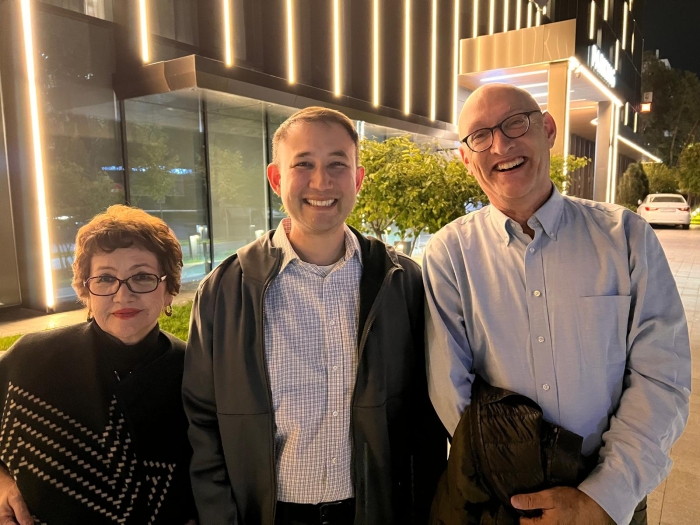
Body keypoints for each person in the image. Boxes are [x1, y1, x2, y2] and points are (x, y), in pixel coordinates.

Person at [423, 84, 691, 525]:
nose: (502, 145)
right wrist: (512, 486)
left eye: (515, 124)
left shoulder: (626, 238)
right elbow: (450, 391)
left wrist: (603, 496)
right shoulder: (450, 255)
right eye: (480, 136)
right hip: (503, 501)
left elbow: (662, 375)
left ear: (546, 129)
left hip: (612, 497)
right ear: (466, 159)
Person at [183, 106, 445, 525]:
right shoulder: (226, 290)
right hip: (268, 514)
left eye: (337, 165)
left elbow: (424, 417)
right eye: (303, 164)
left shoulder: (401, 282)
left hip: (372, 510)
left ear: (357, 179)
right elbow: (202, 419)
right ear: (276, 178)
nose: (321, 182)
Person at [0, 205, 197, 524]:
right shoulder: (32, 360)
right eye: (105, 279)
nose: (123, 295)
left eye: (142, 277)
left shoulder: (196, 372)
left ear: (170, 289)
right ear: (84, 290)